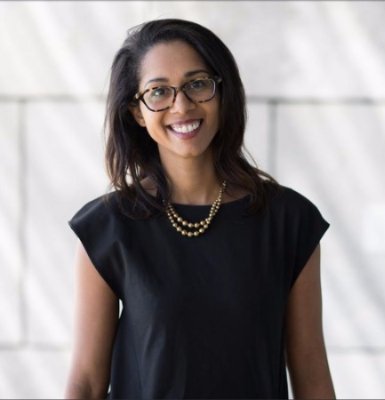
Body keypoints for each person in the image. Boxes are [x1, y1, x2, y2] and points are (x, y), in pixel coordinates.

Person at [64, 18, 335, 399]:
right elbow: (86, 382)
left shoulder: (289, 222)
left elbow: (312, 376)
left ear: (222, 92)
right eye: (159, 91)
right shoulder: (108, 229)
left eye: (197, 84)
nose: (182, 105)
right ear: (137, 112)